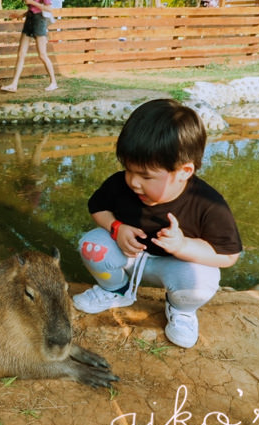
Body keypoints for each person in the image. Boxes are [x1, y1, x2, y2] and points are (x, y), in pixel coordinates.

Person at [72, 99, 242, 348]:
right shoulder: (120, 184)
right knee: (91, 245)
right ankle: (115, 290)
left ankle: (181, 309)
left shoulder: (208, 204)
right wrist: (116, 228)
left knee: (202, 280)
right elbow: (97, 208)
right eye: (129, 170)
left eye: (146, 176)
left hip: (174, 267)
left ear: (184, 171)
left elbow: (228, 256)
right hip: (128, 257)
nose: (133, 182)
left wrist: (183, 246)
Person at [0, 0, 57, 93]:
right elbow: (32, 9)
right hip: (29, 19)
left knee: (42, 55)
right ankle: (14, 85)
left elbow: (49, 8)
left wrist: (32, 2)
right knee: (21, 54)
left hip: (39, 21)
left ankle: (54, 82)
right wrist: (20, 16)